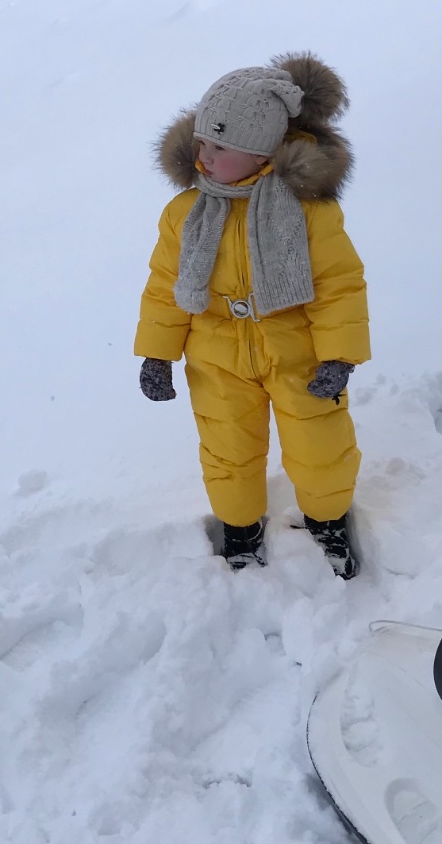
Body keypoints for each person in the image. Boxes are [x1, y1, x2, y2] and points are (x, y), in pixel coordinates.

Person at [135, 55, 369, 578]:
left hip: (298, 353)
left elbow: (339, 284)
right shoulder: (185, 213)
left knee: (320, 446)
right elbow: (164, 286)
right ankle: (240, 528)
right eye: (202, 142)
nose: (204, 155)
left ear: (262, 150)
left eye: (220, 147)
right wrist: (157, 353)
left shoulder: (308, 211)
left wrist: (339, 356)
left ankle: (328, 521)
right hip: (216, 356)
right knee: (227, 451)